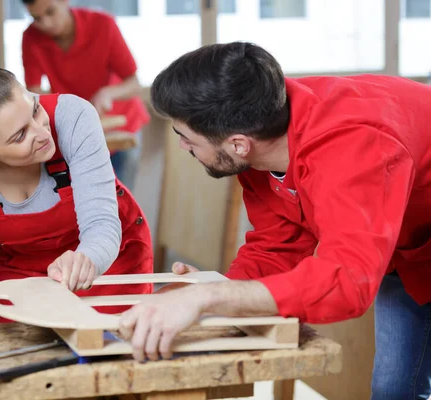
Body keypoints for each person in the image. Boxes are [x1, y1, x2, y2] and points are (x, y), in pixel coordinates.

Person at [117, 42, 431, 399]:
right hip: (409, 252)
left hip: (406, 244)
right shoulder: (259, 132)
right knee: (393, 390)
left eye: (186, 138)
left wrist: (213, 298)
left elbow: (347, 282)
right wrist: (200, 296)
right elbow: (275, 245)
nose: (184, 148)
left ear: (238, 144)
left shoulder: (354, 149)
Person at [0, 65, 153, 322]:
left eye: (35, 110)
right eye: (19, 136)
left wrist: (87, 259)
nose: (42, 133)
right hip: (20, 277)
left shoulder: (73, 116)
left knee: (110, 352)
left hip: (109, 266)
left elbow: (101, 225)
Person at [20, 0, 150, 191]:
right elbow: (34, 93)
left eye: (50, 12)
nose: (46, 23)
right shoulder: (31, 37)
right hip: (79, 129)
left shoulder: (103, 24)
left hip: (122, 123)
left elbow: (134, 83)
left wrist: (107, 93)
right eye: (37, 18)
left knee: (122, 199)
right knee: (86, 197)